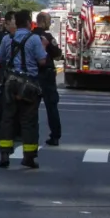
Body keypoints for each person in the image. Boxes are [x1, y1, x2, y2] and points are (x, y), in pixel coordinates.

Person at [0, 8, 46, 169]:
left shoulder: (6, 39)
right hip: (29, 84)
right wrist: (43, 46)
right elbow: (42, 61)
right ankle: (28, 157)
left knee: (8, 119)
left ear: (16, 23)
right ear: (30, 23)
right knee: (29, 121)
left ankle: (4, 154)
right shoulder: (35, 39)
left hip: (10, 83)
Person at [33, 11, 63, 146]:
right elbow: (57, 55)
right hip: (47, 74)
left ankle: (29, 134)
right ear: (44, 21)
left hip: (32, 74)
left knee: (31, 107)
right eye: (49, 21)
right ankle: (55, 135)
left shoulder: (30, 36)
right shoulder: (48, 37)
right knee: (51, 106)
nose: (50, 24)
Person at [0, 13, 16, 142]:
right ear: (6, 24)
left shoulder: (20, 36)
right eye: (13, 22)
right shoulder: (0, 37)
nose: (15, 24)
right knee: (1, 102)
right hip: (3, 73)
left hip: (14, 74)